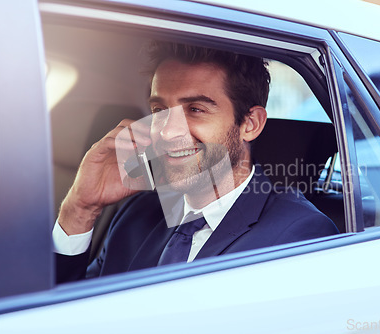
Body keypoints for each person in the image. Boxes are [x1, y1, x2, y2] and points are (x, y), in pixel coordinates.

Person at [54, 42, 338, 283]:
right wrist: (80, 209)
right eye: (160, 110)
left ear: (250, 124)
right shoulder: (136, 214)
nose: (166, 131)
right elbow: (66, 315)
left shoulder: (300, 236)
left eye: (195, 109)